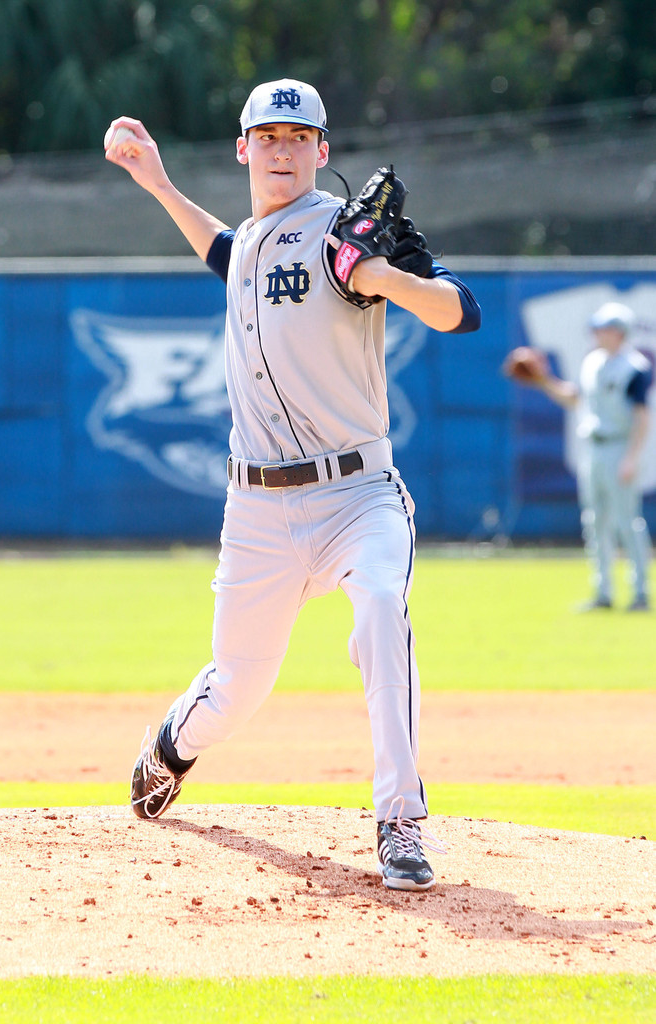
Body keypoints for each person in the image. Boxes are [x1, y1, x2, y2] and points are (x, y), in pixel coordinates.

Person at [104, 78, 481, 892]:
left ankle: (400, 822)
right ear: (244, 150)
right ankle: (172, 745)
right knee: (238, 683)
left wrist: (387, 279)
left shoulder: (347, 236)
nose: (282, 151)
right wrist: (159, 184)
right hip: (258, 513)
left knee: (381, 607)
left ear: (323, 152)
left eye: (297, 138)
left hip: (358, 496)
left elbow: (460, 310)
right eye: (267, 138)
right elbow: (223, 251)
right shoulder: (245, 244)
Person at [536, 301, 653, 611]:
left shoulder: (634, 368)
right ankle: (603, 592)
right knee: (596, 522)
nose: (597, 332)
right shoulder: (593, 362)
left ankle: (640, 591)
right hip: (594, 448)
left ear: (618, 332)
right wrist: (543, 380)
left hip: (620, 446)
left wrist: (632, 457)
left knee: (627, 521)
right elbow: (576, 399)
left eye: (603, 328)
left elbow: (643, 417)